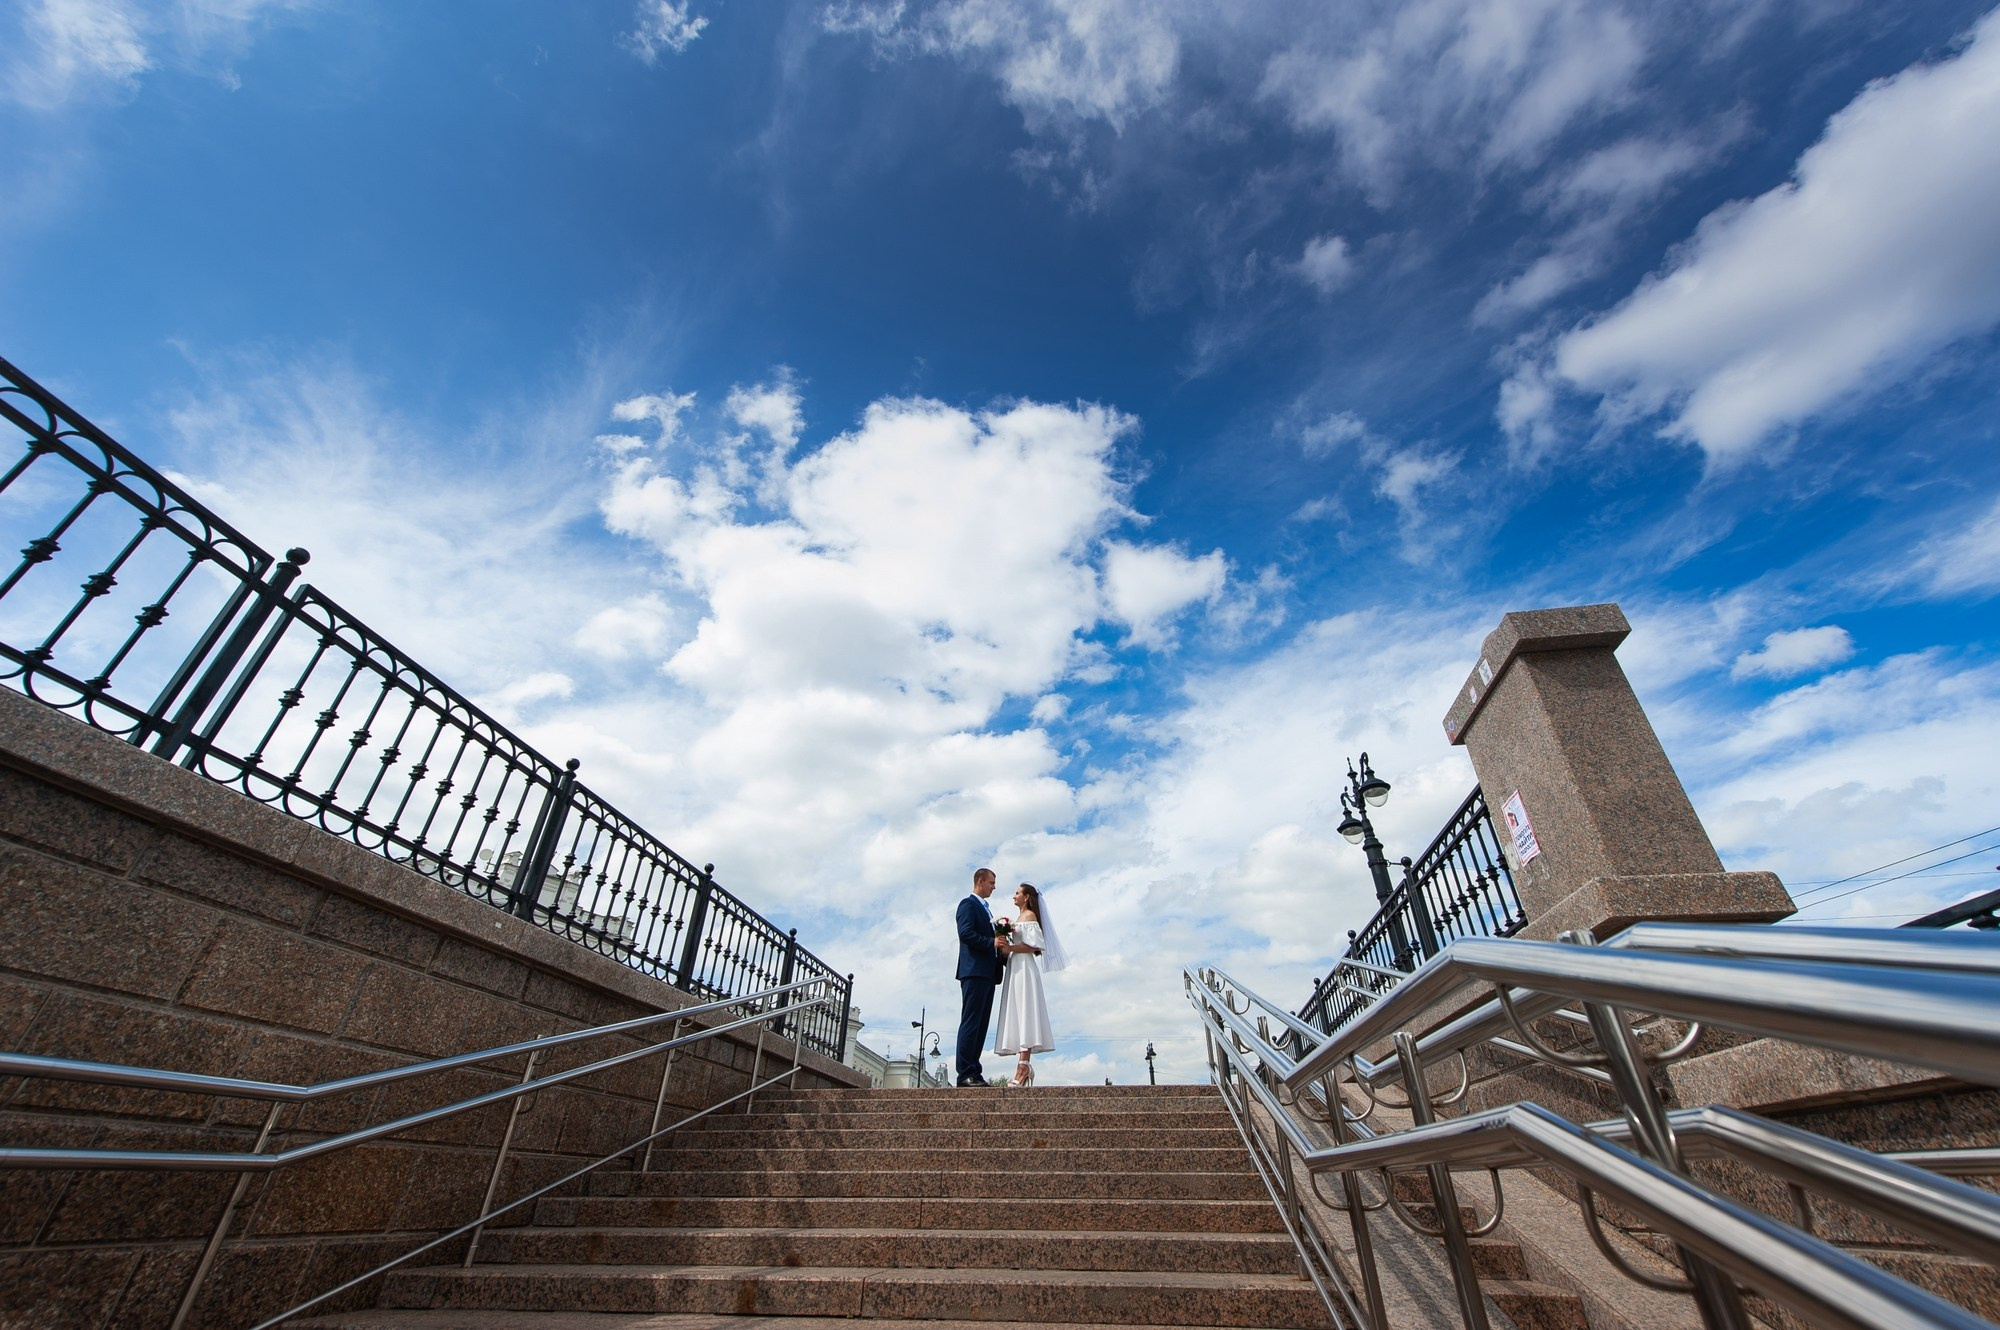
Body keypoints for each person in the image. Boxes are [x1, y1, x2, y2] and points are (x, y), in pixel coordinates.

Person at [992, 882, 1068, 1086]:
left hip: (1025, 968)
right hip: (1015, 967)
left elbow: (1035, 946)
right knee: (1017, 1012)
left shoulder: (1029, 917)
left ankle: (1023, 1066)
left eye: (1017, 893)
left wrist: (1011, 947)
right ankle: (1023, 1064)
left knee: (1025, 1011)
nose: (1013, 896)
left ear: (1026, 897)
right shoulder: (1018, 918)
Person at [954, 867, 1003, 1087]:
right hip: (973, 971)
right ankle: (965, 1072)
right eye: (992, 882)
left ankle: (975, 1069)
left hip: (987, 973)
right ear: (980, 881)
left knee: (981, 1024)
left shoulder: (987, 910)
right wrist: (991, 942)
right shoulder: (968, 904)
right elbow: (965, 933)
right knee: (972, 1022)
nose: (994, 887)